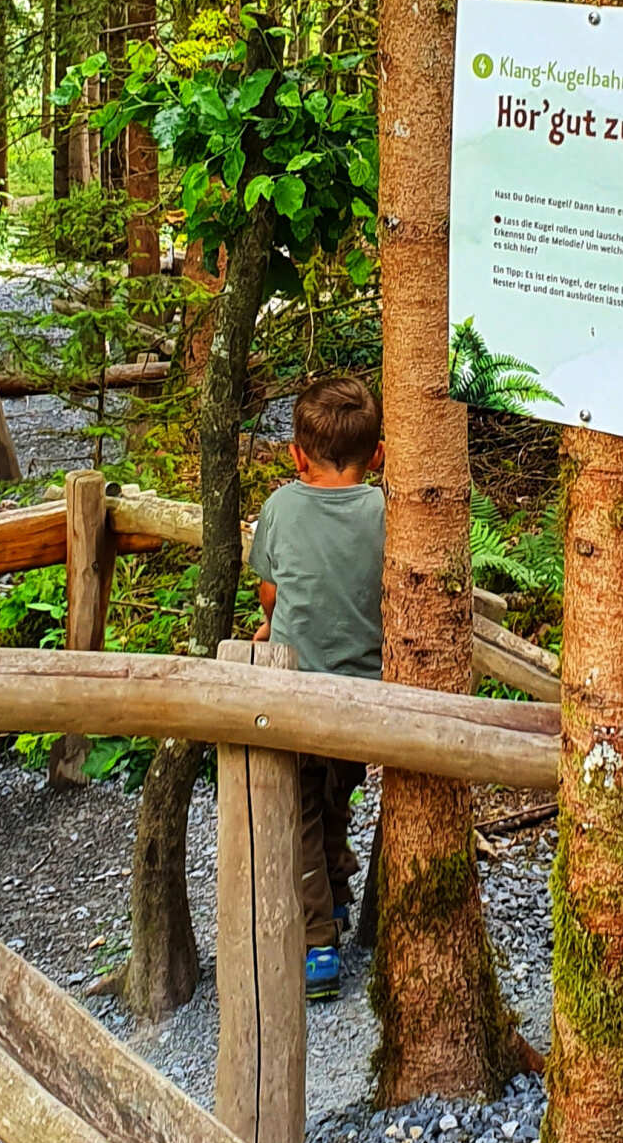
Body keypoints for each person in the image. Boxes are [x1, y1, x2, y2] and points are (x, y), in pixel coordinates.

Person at [251, 373, 386, 1001]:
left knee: (302, 810)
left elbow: (272, 598)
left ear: (296, 455)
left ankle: (317, 943)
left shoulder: (280, 508)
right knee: (334, 799)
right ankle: (336, 887)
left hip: (299, 695)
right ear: (378, 455)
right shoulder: (388, 510)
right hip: (367, 697)